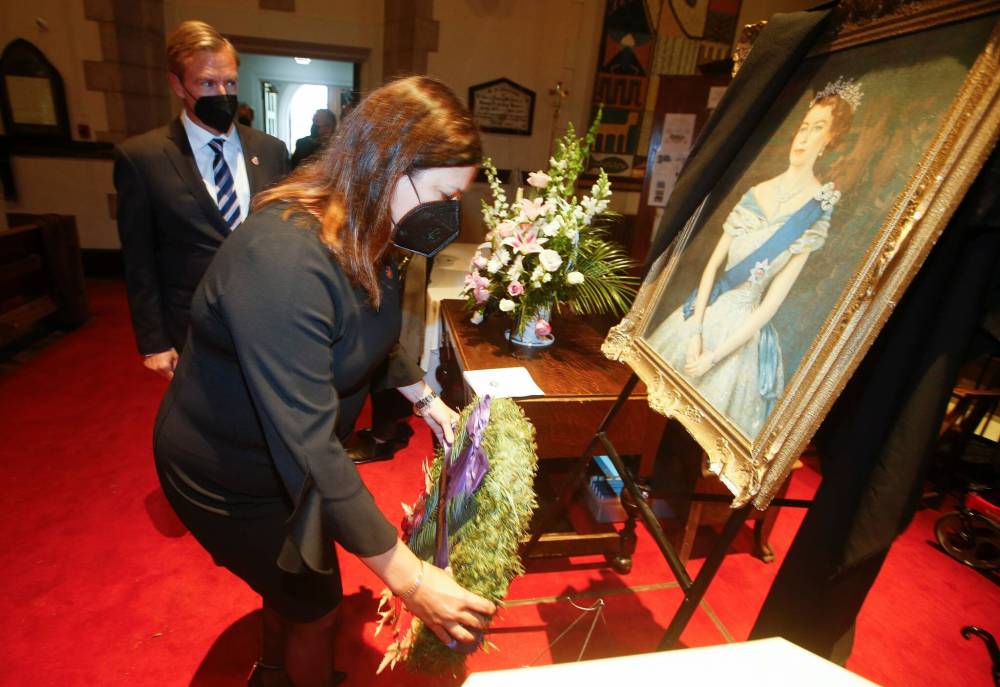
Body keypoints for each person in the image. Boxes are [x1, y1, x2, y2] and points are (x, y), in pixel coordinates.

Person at [153, 75, 494, 687]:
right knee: (317, 607)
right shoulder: (283, 259)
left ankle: (271, 670)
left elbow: (368, 329)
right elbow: (308, 442)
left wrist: (426, 400)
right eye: (442, 194)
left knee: (292, 585)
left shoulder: (368, 229)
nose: (447, 215)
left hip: (285, 456)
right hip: (228, 472)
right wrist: (410, 578)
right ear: (386, 164)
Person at [648, 78, 860, 438]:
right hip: (702, 315)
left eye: (818, 128)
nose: (805, 137)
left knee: (701, 430)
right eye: (804, 127)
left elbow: (770, 305)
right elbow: (713, 267)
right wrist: (697, 333)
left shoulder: (816, 210)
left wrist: (713, 357)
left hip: (741, 334)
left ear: (831, 140)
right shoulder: (756, 192)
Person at [114, 21, 289, 379]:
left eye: (230, 82)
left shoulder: (271, 151)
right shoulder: (142, 157)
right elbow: (139, 258)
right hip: (191, 326)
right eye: (207, 83)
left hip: (267, 320)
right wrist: (154, 341)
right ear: (178, 85)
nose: (221, 92)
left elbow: (284, 236)